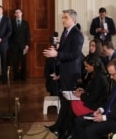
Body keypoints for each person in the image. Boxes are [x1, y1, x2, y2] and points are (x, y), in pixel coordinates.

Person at [73, 58, 116, 139]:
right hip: (109, 115)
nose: (111, 77)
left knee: (90, 130)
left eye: (113, 74)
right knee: (79, 121)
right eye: (110, 75)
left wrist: (104, 117)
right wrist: (101, 109)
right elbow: (110, 101)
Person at [43, 9, 84, 138]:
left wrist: (57, 54)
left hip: (72, 73)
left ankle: (70, 130)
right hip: (64, 72)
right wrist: (55, 51)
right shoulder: (65, 32)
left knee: (70, 103)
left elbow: (75, 54)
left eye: (65, 17)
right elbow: (64, 51)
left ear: (73, 19)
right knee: (65, 102)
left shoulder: (77, 34)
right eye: (62, 17)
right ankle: (59, 126)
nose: (62, 20)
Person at [9, 8, 30, 81]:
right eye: (16, 12)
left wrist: (27, 44)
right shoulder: (11, 22)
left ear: (22, 13)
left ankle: (23, 77)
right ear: (15, 14)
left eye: (19, 12)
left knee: (23, 61)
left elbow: (27, 35)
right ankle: (15, 76)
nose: (18, 14)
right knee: (15, 61)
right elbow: (9, 34)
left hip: (23, 45)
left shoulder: (25, 23)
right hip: (14, 45)